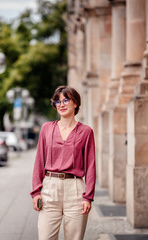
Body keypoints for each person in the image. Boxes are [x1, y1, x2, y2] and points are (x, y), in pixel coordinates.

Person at [31, 86, 96, 240]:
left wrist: (88, 197)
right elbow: (39, 161)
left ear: (75, 103)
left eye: (66, 100)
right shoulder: (47, 128)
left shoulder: (86, 132)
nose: (61, 104)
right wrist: (36, 192)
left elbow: (91, 166)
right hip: (50, 188)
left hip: (75, 189)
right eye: (57, 101)